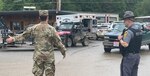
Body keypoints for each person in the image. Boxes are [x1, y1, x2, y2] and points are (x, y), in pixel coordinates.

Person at [6, 10, 66, 76]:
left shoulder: (34, 28)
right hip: (49, 57)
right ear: (47, 17)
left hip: (38, 56)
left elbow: (24, 35)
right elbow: (58, 42)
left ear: (39, 18)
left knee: (38, 74)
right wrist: (63, 51)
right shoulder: (51, 29)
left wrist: (13, 38)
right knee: (50, 74)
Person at [118, 11, 142, 76]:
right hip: (137, 56)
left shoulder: (128, 32)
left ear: (128, 20)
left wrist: (120, 39)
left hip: (129, 57)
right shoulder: (138, 29)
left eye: (124, 20)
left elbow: (125, 44)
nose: (124, 22)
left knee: (125, 73)